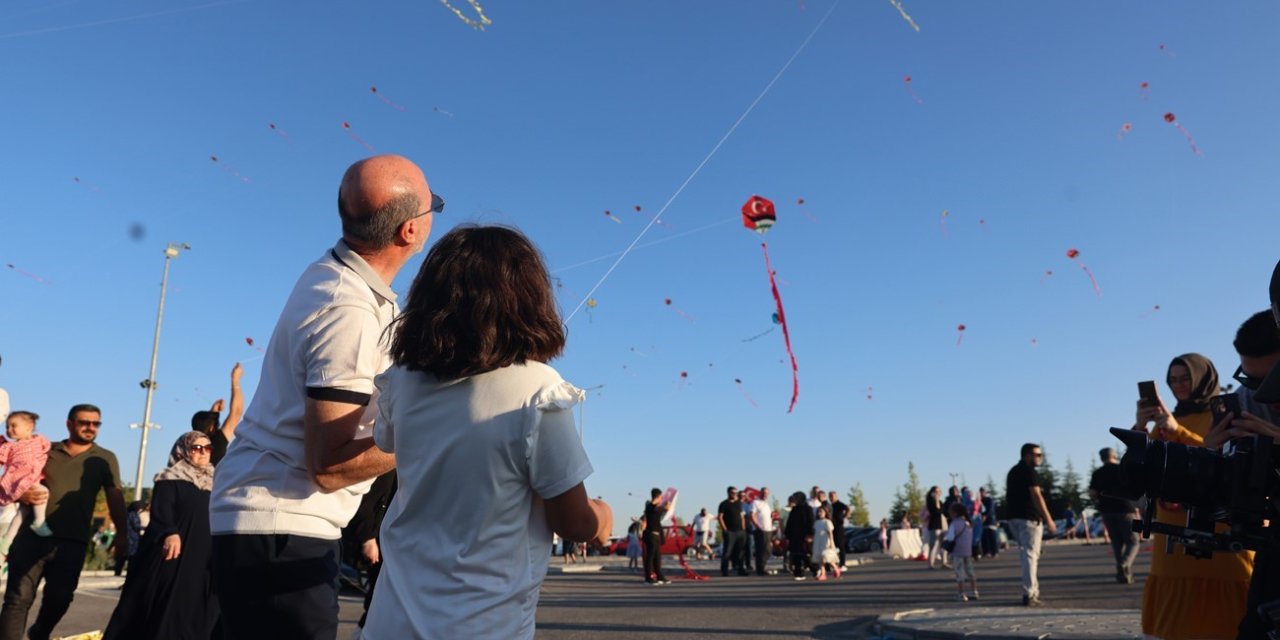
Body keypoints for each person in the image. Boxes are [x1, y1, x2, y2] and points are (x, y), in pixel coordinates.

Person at [209, 155, 437, 638]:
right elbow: (329, 466)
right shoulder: (347, 309)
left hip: (269, 525)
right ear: (409, 232)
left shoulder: (342, 281)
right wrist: (431, 435)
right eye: (433, 204)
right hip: (280, 527)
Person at [360, 225, 611, 639]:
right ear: (527, 300)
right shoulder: (537, 390)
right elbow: (573, 523)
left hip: (390, 621)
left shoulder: (402, 382)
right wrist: (601, 517)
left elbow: (388, 444)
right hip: (483, 627)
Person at [1133, 354, 1253, 640]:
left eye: (1185, 378)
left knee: (1232, 625)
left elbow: (1225, 464)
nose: (1180, 385)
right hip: (1172, 534)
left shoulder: (1223, 414)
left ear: (1202, 377)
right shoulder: (1166, 420)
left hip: (1221, 531)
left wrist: (1179, 432)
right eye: (1173, 380)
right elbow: (1139, 473)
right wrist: (1140, 429)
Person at [0, 404, 128, 640]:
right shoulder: (45, 450)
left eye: (95, 423)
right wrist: (21, 494)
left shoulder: (105, 458)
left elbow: (115, 497)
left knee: (60, 598)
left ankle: (40, 632)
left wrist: (122, 533)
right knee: (17, 599)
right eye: (84, 422)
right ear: (69, 424)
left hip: (72, 542)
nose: (90, 427)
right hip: (30, 537)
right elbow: (16, 474)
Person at [104, 432, 219, 639]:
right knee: (163, 607)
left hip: (203, 559)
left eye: (207, 448)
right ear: (183, 451)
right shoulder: (169, 479)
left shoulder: (216, 484)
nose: (203, 453)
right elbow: (161, 511)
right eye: (196, 448)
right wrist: (170, 532)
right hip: (173, 555)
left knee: (196, 609)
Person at [343, 469, 396, 632]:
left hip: (388, 538)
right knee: (377, 603)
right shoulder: (387, 465)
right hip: (378, 539)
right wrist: (368, 538)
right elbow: (369, 499)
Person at [1006, 442, 1056, 607]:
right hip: (1030, 518)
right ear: (1027, 455)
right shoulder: (1030, 472)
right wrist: (1048, 519)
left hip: (1014, 518)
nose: (1040, 458)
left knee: (1025, 555)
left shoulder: (1013, 471)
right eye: (1037, 455)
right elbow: (1037, 495)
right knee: (1030, 555)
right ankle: (1030, 592)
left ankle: (1031, 590)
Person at [0, 411, 52, 556]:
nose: (9, 429)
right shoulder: (8, 447)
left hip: (32, 477)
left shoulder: (39, 440)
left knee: (23, 511)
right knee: (42, 492)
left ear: (29, 426)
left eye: (13, 425)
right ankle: (39, 521)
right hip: (18, 479)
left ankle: (7, 540)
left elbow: (47, 450)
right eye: (7, 426)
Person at [1089, 447, 1140, 584]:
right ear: (1114, 455)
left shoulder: (1098, 473)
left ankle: (1123, 575)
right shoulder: (1121, 469)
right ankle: (1124, 564)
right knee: (1133, 541)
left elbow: (1092, 492)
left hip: (1106, 510)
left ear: (1102, 458)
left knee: (1117, 544)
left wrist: (1098, 502)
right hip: (1124, 509)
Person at [188, 363, 244, 465]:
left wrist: (213, 413)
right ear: (211, 428)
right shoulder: (215, 444)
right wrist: (235, 380)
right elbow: (236, 412)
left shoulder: (187, 447)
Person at [945, 501, 978, 602]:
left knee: (959, 573)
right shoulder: (968, 523)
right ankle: (974, 591)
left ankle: (961, 593)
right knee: (970, 572)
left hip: (957, 551)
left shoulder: (954, 523)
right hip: (967, 550)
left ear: (955, 513)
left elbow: (950, 537)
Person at [642, 489, 670, 585]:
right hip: (651, 535)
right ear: (657, 496)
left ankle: (659, 576)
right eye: (661, 497)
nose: (662, 499)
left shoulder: (657, 508)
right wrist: (665, 507)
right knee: (650, 556)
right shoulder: (650, 507)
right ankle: (648, 578)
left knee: (657, 557)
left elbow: (661, 510)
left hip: (657, 535)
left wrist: (666, 507)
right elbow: (656, 509)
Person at [718, 486, 747, 577]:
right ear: (728, 493)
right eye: (733, 493)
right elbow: (720, 517)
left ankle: (740, 569)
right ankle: (724, 570)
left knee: (741, 552)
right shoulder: (724, 504)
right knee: (727, 552)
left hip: (740, 532)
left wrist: (743, 528)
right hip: (730, 532)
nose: (734, 495)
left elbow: (741, 516)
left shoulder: (738, 503)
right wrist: (725, 529)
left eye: (735, 493)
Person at [785, 492, 814, 581]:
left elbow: (810, 521)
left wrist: (810, 534)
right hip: (794, 535)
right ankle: (798, 573)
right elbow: (789, 523)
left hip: (804, 535)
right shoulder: (794, 509)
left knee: (805, 554)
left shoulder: (807, 509)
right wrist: (787, 534)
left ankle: (815, 568)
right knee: (795, 554)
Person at [116, 501, 147, 577]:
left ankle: (118, 571)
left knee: (123, 556)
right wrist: (146, 528)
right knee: (131, 556)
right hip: (133, 538)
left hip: (127, 536)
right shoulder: (133, 515)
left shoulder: (127, 514)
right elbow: (136, 526)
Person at [812, 505, 840, 581]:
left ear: (825, 513)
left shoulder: (827, 522)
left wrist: (831, 542)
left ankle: (835, 568)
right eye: (818, 512)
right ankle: (823, 574)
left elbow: (830, 533)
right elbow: (815, 532)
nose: (819, 513)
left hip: (825, 542)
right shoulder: (816, 523)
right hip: (818, 542)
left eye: (821, 512)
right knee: (820, 559)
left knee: (827, 558)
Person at [751, 487, 774, 575]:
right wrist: (757, 526)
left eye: (767, 493)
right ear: (759, 493)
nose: (765, 495)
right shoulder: (755, 503)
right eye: (763, 493)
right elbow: (751, 515)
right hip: (760, 530)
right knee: (761, 550)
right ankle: (760, 569)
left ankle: (762, 567)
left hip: (768, 529)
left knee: (768, 549)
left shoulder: (766, 504)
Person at [924, 486, 946, 569]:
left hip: (942, 524)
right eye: (936, 491)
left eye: (939, 491)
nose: (938, 493)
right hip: (934, 525)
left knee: (943, 544)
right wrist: (936, 500)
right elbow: (937, 511)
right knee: (933, 544)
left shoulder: (940, 502)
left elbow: (942, 511)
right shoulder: (930, 502)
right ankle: (931, 563)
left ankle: (944, 562)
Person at [828, 488, 849, 567]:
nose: (831, 498)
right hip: (832, 527)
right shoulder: (830, 505)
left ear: (836, 496)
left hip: (839, 526)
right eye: (830, 496)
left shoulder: (839, 504)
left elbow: (848, 508)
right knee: (833, 545)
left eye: (833, 496)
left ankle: (843, 563)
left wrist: (845, 516)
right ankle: (835, 562)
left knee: (841, 545)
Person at [978, 487, 999, 558]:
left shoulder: (989, 500)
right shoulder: (979, 501)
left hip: (990, 520)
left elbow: (990, 509)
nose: (981, 493)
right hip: (982, 522)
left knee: (992, 537)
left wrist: (985, 516)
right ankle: (986, 552)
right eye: (980, 492)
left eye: (983, 492)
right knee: (984, 538)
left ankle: (995, 552)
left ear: (985, 492)